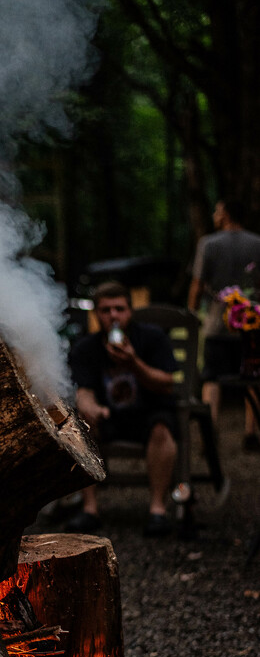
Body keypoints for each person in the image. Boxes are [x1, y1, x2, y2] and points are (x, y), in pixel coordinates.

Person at [66, 281, 178, 537]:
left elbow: (168, 384)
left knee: (162, 426)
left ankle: (157, 510)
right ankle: (90, 509)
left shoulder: (151, 337)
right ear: (96, 314)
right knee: (79, 424)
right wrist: (91, 409)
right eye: (106, 310)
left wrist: (134, 363)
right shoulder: (87, 348)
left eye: (119, 309)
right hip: (109, 418)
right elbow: (83, 392)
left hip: (148, 415)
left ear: (130, 310)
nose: (113, 315)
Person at [188, 198, 260, 450]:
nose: (214, 215)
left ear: (226, 214)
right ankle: (251, 433)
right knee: (252, 377)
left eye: (217, 210)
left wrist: (191, 315)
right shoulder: (257, 244)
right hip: (251, 324)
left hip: (217, 323)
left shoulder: (208, 244)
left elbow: (197, 285)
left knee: (212, 379)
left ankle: (211, 433)